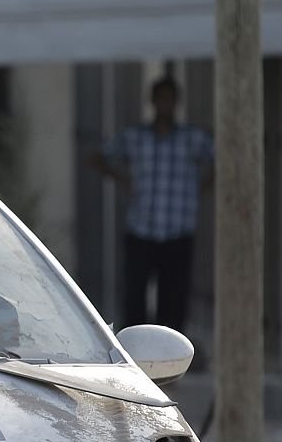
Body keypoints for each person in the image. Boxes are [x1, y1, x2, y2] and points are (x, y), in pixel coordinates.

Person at [89, 76, 213, 332]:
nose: (165, 104)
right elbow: (97, 157)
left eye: (170, 98)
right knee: (135, 293)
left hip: (178, 229)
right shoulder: (135, 137)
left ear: (176, 102)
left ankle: (172, 347)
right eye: (161, 98)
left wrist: (201, 187)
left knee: (174, 295)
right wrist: (123, 180)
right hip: (142, 228)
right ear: (153, 101)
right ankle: (137, 343)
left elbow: (224, 158)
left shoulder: (191, 139)